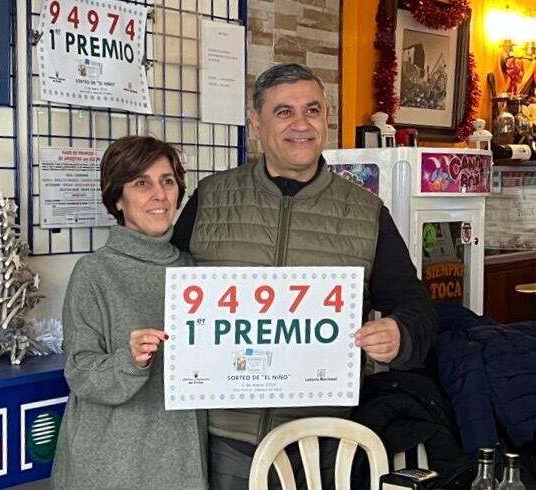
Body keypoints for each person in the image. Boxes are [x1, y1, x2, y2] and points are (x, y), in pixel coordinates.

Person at [172, 63, 437, 488]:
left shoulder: (366, 212)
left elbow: (415, 305)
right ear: (256, 121)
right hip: (219, 442)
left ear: (327, 117)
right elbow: (165, 291)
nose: (301, 124)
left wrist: (399, 334)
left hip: (323, 445)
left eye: (312, 110)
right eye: (284, 112)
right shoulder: (211, 199)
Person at [51, 135, 208, 490]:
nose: (159, 194)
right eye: (141, 183)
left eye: (167, 181)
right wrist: (130, 360)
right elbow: (80, 372)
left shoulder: (193, 270)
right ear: (117, 198)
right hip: (110, 463)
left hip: (180, 460)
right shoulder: (94, 272)